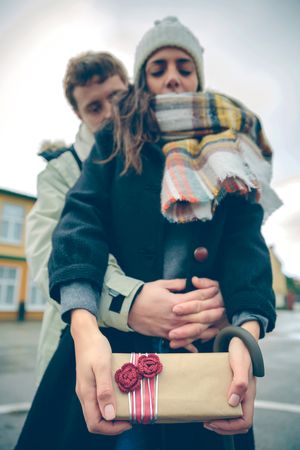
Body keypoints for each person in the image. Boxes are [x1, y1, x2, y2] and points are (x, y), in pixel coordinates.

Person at [17, 17, 278, 450]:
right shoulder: (114, 143)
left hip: (204, 357)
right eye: (157, 69)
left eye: (183, 66)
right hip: (114, 347)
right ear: (143, 81)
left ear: (197, 74)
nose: (172, 76)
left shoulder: (230, 150)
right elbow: (77, 228)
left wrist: (243, 328)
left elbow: (245, 247)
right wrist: (86, 330)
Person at [26, 50, 226, 385]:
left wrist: (214, 301)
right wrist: (129, 303)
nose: (109, 112)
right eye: (94, 107)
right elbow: (47, 253)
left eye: (116, 97)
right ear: (77, 113)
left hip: (167, 341)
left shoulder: (159, 154)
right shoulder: (61, 173)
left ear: (132, 91)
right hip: (84, 340)